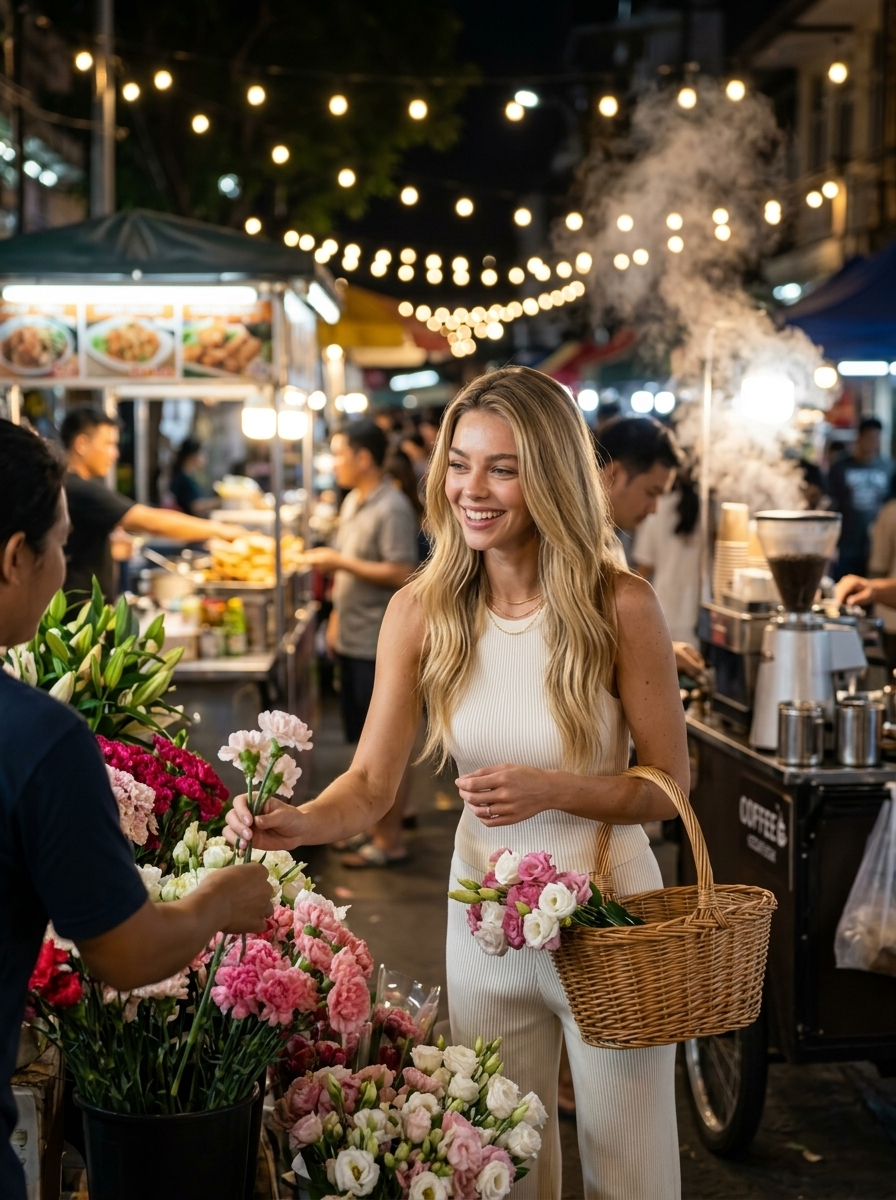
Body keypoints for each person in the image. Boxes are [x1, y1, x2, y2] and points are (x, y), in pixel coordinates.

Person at [225, 367, 686, 1199]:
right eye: (460, 462)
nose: (472, 489)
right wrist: (301, 822)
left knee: (631, 1170)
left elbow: (665, 788)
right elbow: (369, 783)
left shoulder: (621, 605)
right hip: (483, 932)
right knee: (503, 1167)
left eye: (502, 467)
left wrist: (556, 790)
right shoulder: (422, 610)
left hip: (611, 922)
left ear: (549, 473)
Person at [0, 419, 273, 1200]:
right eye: (58, 546)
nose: (63, 568)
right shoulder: (37, 738)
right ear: (15, 557)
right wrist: (217, 899)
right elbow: (124, 955)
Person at [301, 419, 419, 867]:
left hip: (378, 643)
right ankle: (368, 826)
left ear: (363, 457)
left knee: (388, 745)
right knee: (362, 742)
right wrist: (332, 619)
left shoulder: (392, 508)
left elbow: (401, 571)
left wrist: (340, 562)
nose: (335, 462)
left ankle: (390, 841)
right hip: (352, 636)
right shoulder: (354, 500)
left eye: (339, 453)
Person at [60, 408, 246, 601]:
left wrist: (107, 549)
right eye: (108, 444)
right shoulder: (78, 487)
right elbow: (149, 521)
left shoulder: (72, 485)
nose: (115, 454)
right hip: (77, 616)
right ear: (81, 444)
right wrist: (224, 531)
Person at [594, 415, 705, 679]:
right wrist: (657, 653)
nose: (654, 509)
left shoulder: (608, 540)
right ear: (614, 474)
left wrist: (661, 649)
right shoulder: (568, 544)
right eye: (651, 492)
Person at [632, 469, 701, 648]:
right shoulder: (709, 512)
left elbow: (643, 570)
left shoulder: (657, 509)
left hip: (662, 614)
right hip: (696, 616)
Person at [828, 417, 893, 579]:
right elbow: (830, 504)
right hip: (846, 543)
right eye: (870, 437)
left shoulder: (889, 468)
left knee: (872, 590)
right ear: (860, 438)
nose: (873, 442)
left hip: (877, 544)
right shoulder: (840, 467)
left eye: (877, 438)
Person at [169, 437, 216, 517]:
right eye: (202, 453)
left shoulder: (186, 477)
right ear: (192, 456)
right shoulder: (183, 480)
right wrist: (221, 502)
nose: (205, 457)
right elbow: (195, 507)